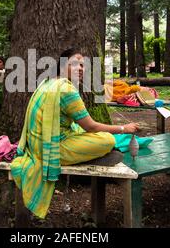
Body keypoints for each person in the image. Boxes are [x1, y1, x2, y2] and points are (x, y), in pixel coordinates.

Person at [10, 48, 140, 219]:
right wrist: (124, 128)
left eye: (82, 65)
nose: (80, 68)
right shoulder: (66, 90)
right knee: (107, 140)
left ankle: (91, 154)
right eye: (75, 64)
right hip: (49, 150)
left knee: (78, 130)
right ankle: (93, 155)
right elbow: (91, 127)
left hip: (36, 144)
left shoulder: (48, 82)